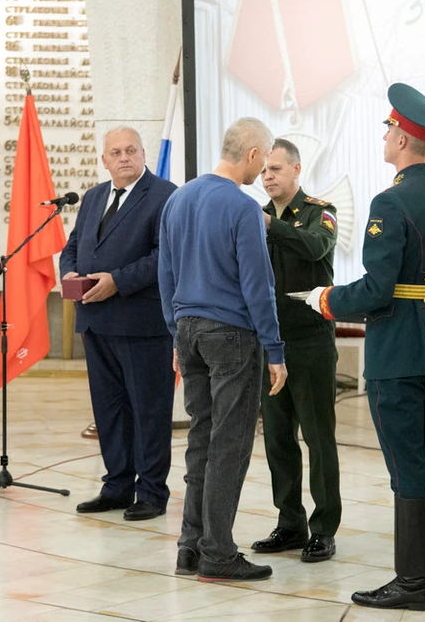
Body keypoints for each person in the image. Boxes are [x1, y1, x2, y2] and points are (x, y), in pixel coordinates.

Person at [305, 83, 425, 611]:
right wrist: (422, 292)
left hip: (398, 349)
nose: (385, 136)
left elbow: (377, 290)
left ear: (401, 138)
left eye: (387, 129)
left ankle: (413, 584)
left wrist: (326, 299)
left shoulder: (391, 200)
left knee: (406, 465)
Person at [158, 117, 287, 582]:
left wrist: (175, 330)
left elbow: (166, 274)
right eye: (264, 157)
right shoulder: (243, 207)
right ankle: (218, 552)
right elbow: (258, 286)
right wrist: (275, 349)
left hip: (188, 331)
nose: (264, 168)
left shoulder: (178, 199)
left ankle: (189, 548)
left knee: (200, 439)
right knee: (229, 445)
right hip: (231, 335)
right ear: (252, 155)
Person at [59, 126, 177, 521]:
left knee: (148, 410)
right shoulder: (93, 197)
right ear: (104, 160)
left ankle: (152, 492)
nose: (124, 157)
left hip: (141, 322)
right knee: (109, 410)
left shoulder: (164, 195)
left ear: (143, 154)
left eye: (131, 150)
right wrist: (70, 272)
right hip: (95, 320)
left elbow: (165, 256)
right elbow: (73, 245)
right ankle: (117, 486)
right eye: (116, 152)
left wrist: (118, 282)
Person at [250, 138, 342, 563]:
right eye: (264, 171)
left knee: (318, 438)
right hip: (271, 344)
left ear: (296, 170)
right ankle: (290, 524)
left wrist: (274, 228)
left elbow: (315, 248)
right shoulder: (257, 217)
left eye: (276, 170)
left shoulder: (320, 212)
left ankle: (324, 528)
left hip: (310, 341)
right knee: (277, 438)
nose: (268, 177)